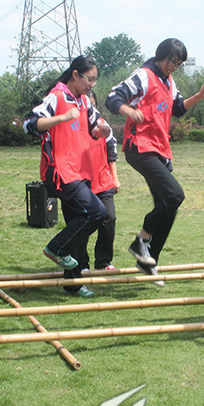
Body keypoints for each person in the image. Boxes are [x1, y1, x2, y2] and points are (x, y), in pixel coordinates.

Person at [105, 38, 204, 282]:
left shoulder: (169, 81)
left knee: (168, 205)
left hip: (159, 149)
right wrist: (130, 111)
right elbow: (113, 98)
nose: (174, 66)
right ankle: (141, 240)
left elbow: (177, 108)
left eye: (179, 63)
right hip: (139, 147)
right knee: (175, 195)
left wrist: (199, 95)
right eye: (172, 61)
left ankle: (148, 259)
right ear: (161, 56)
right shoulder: (144, 75)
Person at [24, 55, 109, 297]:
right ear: (75, 75)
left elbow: (94, 127)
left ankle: (73, 283)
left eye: (94, 80)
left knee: (78, 222)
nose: (92, 84)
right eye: (89, 79)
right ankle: (55, 248)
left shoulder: (83, 101)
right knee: (96, 213)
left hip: (81, 171)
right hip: (61, 171)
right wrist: (60, 118)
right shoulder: (57, 96)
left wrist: (101, 130)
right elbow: (29, 124)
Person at [75, 89, 119, 273]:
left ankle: (103, 261)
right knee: (83, 222)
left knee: (109, 218)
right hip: (81, 183)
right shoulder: (75, 127)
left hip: (103, 181)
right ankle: (81, 264)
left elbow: (111, 152)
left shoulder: (102, 125)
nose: (89, 109)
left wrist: (115, 177)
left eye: (92, 106)